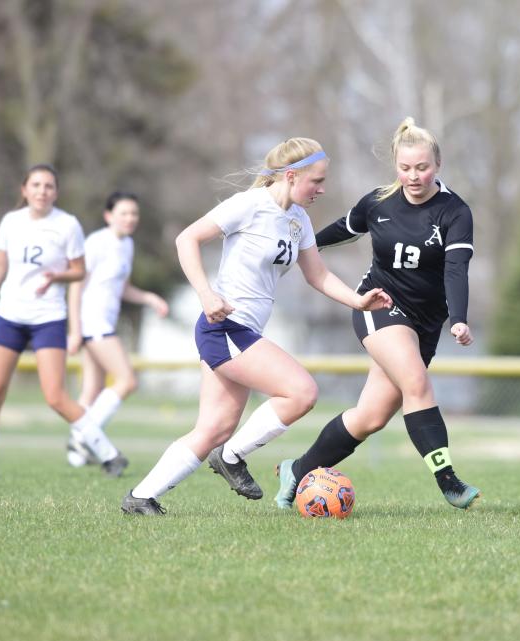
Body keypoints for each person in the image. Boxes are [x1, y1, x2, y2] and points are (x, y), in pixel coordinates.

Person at [121, 138, 392, 515]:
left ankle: (140, 498)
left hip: (244, 332)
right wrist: (206, 294)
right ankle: (230, 457)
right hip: (226, 327)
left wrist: (358, 300)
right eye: (316, 180)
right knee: (301, 392)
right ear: (292, 175)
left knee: (213, 428)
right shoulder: (250, 205)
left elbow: (318, 275)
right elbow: (187, 239)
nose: (322, 188)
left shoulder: (298, 219)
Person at [273, 117, 481, 510]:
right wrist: (302, 244)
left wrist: (458, 316)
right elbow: (343, 229)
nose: (413, 176)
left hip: (425, 323)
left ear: (437, 164)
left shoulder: (454, 212)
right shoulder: (378, 202)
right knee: (416, 384)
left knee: (369, 418)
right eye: (405, 168)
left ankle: (296, 470)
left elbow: (456, 269)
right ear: (395, 166)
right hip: (378, 305)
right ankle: (448, 480)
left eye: (422, 167)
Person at [0, 164, 129, 477]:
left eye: (48, 186)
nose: (42, 191)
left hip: (48, 318)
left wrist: (58, 276)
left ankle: (109, 455)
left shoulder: (67, 225)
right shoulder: (11, 222)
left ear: (56, 192)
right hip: (9, 317)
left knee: (55, 396)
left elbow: (80, 271)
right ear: (24, 190)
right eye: (36, 185)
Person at [65, 191, 169, 467]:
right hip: (93, 324)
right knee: (127, 381)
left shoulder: (127, 245)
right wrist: (74, 330)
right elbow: (75, 286)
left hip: (103, 324)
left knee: (92, 390)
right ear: (109, 216)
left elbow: (121, 288)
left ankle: (76, 457)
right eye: (124, 213)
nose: (130, 218)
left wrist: (149, 298)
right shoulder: (96, 243)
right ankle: (86, 437)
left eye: (134, 213)